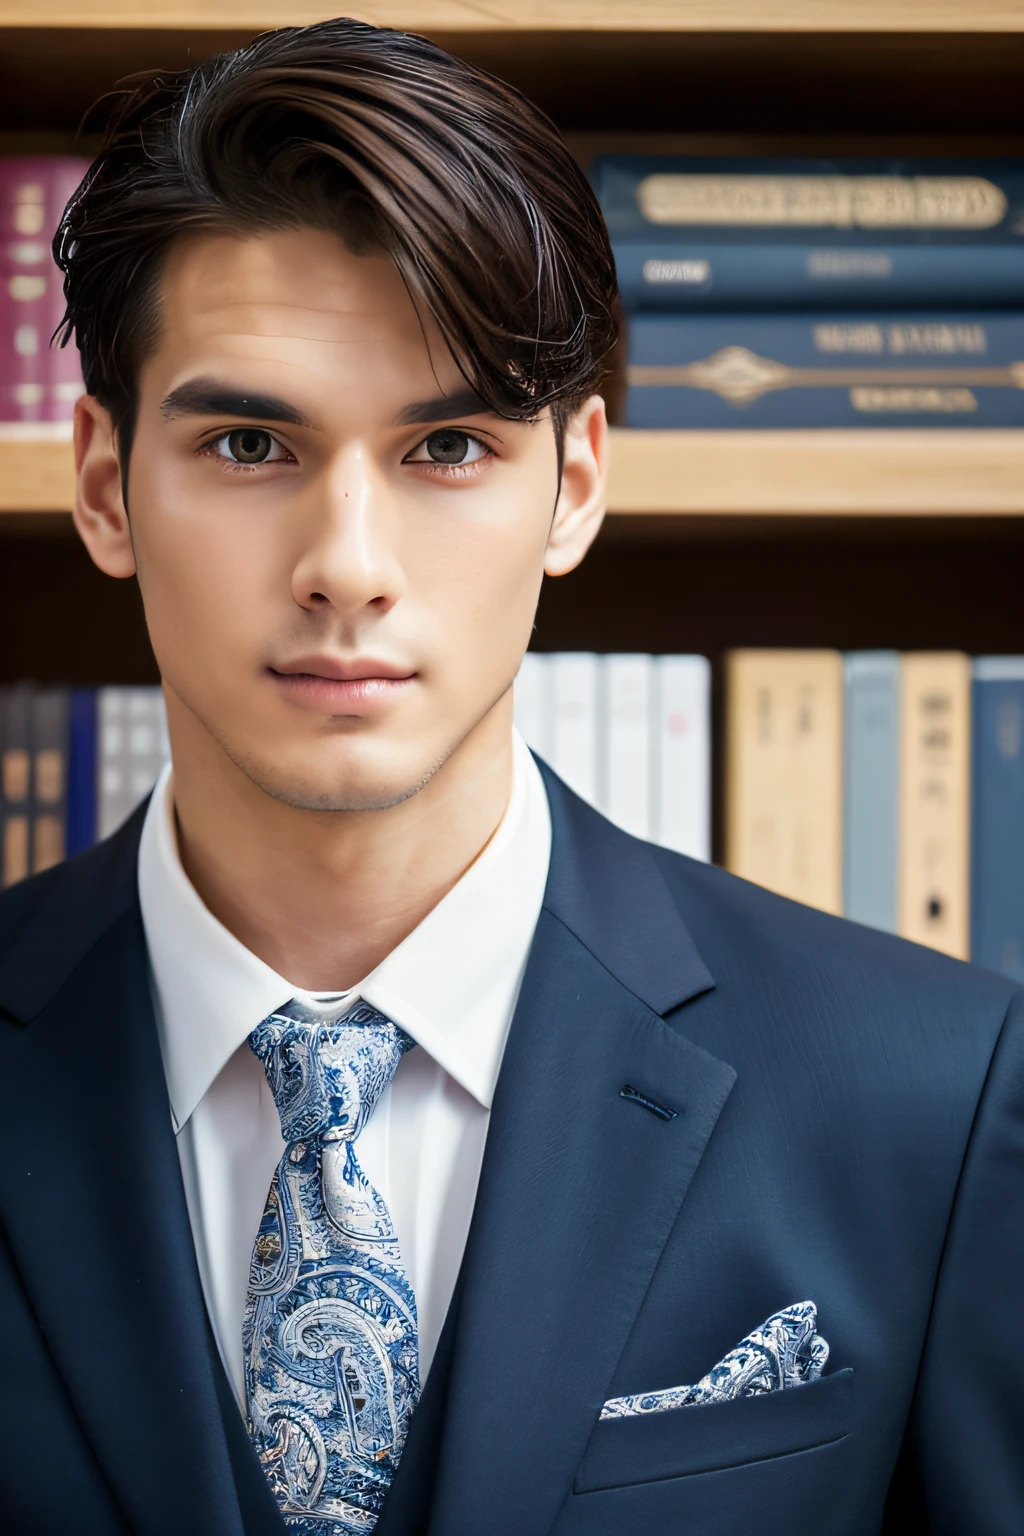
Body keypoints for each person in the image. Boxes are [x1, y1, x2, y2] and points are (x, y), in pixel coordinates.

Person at [0, 18, 1021, 1536]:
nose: (348, 568)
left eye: (452, 448)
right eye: (248, 443)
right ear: (104, 487)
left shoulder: (935, 1096)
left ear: (577, 484)